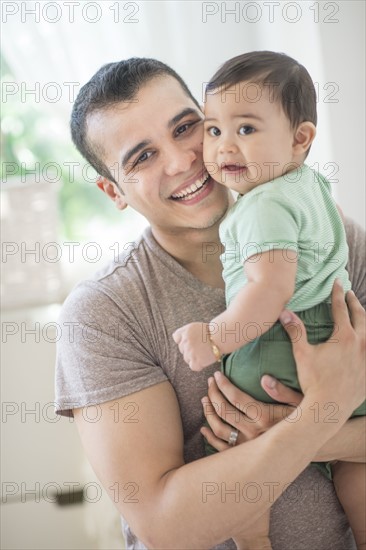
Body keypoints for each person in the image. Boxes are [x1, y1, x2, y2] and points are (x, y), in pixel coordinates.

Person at [55, 57, 366, 550]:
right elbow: (165, 524)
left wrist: (293, 431)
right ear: (113, 191)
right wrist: (325, 414)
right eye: (142, 157)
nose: (182, 161)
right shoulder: (102, 315)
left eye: (186, 127)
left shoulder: (333, 240)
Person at [172, 52, 366, 549]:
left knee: (235, 450)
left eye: (247, 129)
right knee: (357, 466)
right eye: (213, 131)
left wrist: (215, 339)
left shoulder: (263, 205)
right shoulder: (311, 186)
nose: (224, 147)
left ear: (300, 139)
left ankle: (254, 541)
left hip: (280, 344)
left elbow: (269, 288)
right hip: (340, 349)